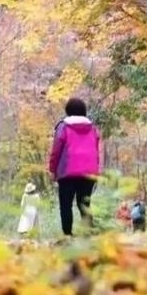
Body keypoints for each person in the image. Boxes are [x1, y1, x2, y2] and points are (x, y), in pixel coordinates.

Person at [48, 97, 103, 237]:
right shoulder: (93, 128)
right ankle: (89, 234)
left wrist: (52, 169)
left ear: (68, 111)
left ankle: (68, 236)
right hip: (88, 172)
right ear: (84, 111)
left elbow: (56, 151)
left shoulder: (63, 127)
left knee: (66, 205)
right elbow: (96, 152)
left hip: (67, 172)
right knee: (84, 204)